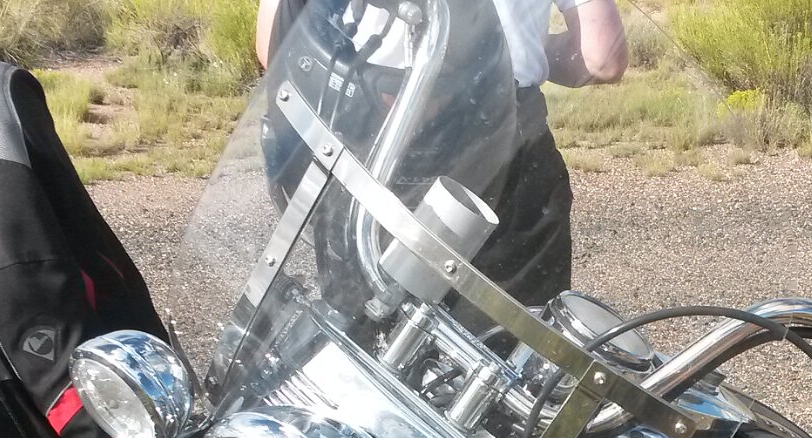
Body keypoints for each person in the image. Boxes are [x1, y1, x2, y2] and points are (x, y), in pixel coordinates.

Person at [256, 0, 627, 305]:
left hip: (374, 137)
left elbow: (272, 44)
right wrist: (512, 50)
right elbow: (602, 58)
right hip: (509, 144)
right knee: (511, 343)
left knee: (363, 330)